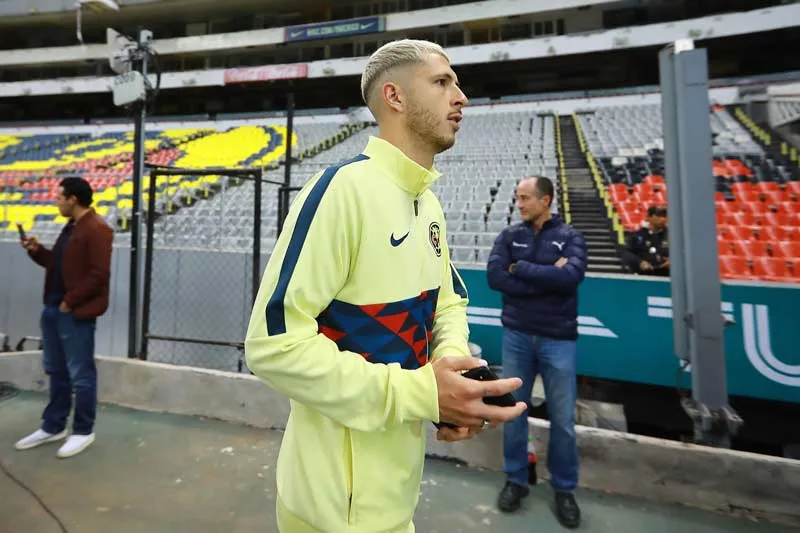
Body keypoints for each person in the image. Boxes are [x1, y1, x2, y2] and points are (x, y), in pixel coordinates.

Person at [244, 39, 527, 533]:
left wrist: (449, 374)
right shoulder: (341, 190)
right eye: (442, 82)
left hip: (397, 496)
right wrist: (423, 393)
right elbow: (273, 346)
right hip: (331, 510)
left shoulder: (427, 202)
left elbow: (448, 303)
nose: (461, 96)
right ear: (394, 97)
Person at [486, 176, 587, 529]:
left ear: (546, 200)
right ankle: (516, 481)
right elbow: (496, 277)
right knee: (513, 412)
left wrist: (523, 270)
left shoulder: (571, 237)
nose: (520, 203)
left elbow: (571, 277)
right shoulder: (509, 236)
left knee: (563, 420)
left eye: (526, 197)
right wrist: (546, 277)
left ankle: (564, 489)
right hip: (517, 335)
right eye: (517, 198)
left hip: (558, 339)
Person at [14, 177, 113, 459]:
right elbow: (57, 265)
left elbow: (99, 275)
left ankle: (83, 430)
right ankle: (53, 426)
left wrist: (70, 302)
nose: (56, 201)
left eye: (59, 197)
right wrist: (36, 251)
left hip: (73, 312)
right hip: (54, 309)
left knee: (81, 374)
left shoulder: (97, 229)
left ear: (73, 199)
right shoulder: (71, 228)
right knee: (56, 371)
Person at [620, 205, 669, 276]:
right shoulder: (637, 235)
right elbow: (626, 252)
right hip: (644, 277)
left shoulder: (672, 236)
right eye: (659, 215)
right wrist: (639, 262)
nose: (663, 218)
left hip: (667, 277)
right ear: (649, 217)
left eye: (664, 216)